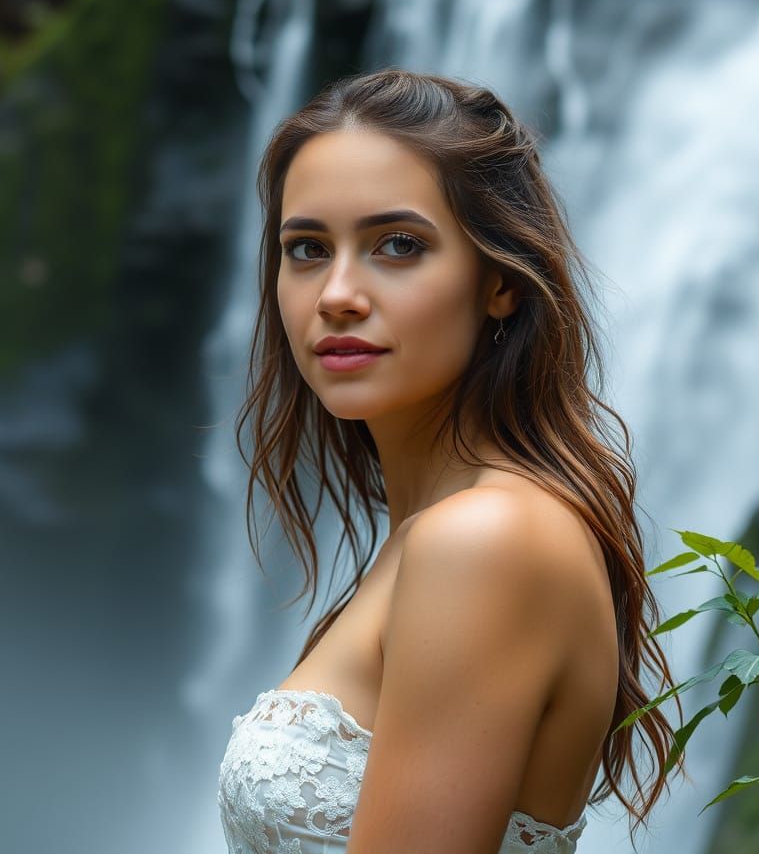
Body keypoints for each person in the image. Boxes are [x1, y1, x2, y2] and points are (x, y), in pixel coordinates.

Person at [217, 68, 682, 853]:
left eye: (397, 245)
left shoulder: (487, 541)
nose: (336, 294)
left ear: (498, 281)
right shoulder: (444, 529)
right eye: (306, 249)